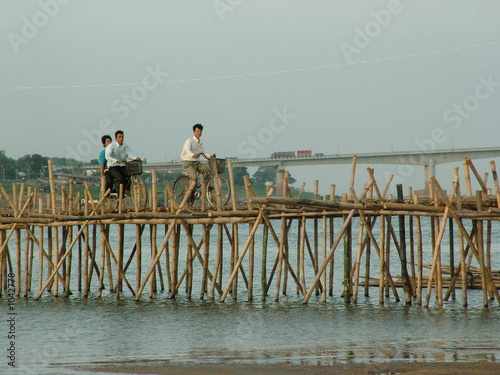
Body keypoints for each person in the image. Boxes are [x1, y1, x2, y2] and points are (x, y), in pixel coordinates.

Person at [105, 130, 140, 195]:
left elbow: (129, 154)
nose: (121, 138)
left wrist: (135, 158)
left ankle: (126, 189)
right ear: (116, 138)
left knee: (130, 173)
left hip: (122, 165)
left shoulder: (125, 146)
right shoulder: (111, 146)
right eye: (119, 137)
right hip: (113, 167)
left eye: (122, 137)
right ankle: (119, 194)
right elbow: (107, 157)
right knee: (120, 178)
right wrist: (116, 160)